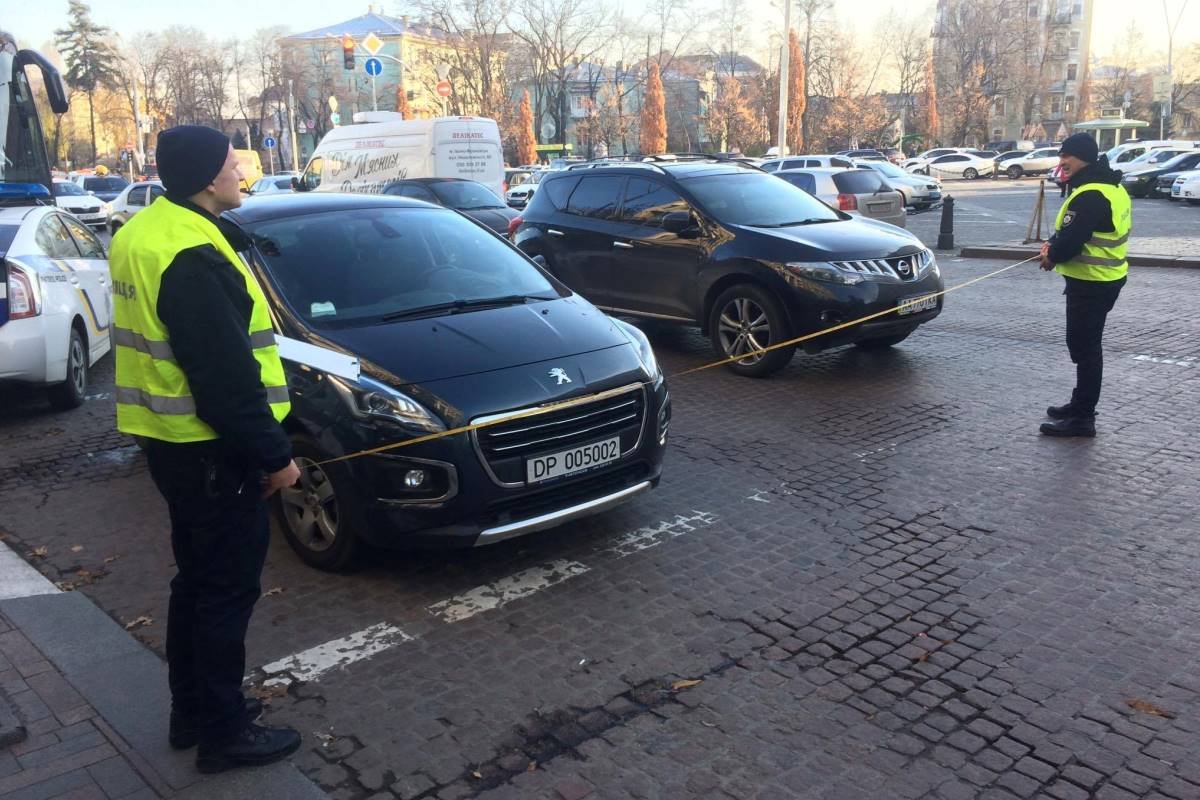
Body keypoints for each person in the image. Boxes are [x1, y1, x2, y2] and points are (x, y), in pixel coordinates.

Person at [109, 125, 303, 773]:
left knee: (195, 583)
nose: (241, 171)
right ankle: (223, 732)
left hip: (171, 446)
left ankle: (190, 711)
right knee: (223, 591)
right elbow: (225, 379)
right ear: (203, 177)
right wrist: (276, 456)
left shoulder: (147, 232)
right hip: (214, 451)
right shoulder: (191, 255)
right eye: (231, 163)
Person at [1038, 132, 1130, 437]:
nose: (1062, 162)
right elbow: (1070, 232)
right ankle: (1080, 405)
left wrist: (1052, 254)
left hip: (1091, 284)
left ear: (1084, 159)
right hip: (1104, 281)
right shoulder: (1110, 187)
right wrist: (1053, 245)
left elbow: (1071, 242)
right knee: (1086, 347)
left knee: (1085, 349)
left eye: (1068, 157)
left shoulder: (1090, 194)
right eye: (1061, 156)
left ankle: (1082, 419)